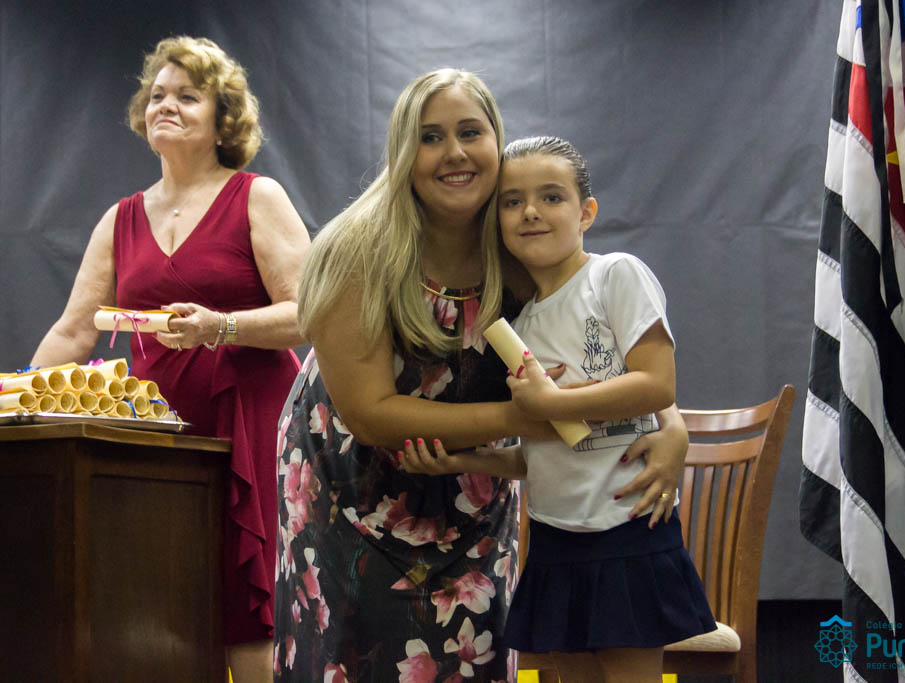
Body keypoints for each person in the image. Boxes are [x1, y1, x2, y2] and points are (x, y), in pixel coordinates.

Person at [274, 71, 688, 682]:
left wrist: (671, 425)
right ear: (403, 150)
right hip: (354, 491)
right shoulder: (358, 249)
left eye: (471, 132)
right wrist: (528, 418)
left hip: (472, 498)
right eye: (431, 137)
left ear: (497, 141)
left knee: (474, 658)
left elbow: (609, 350)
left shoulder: (519, 241)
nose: (455, 153)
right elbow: (369, 413)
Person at [30, 36, 310, 682]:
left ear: (223, 118)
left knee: (252, 613)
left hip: (252, 429)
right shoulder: (120, 218)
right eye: (157, 95)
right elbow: (73, 331)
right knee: (163, 608)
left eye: (188, 96)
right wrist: (16, 400)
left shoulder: (257, 197)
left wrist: (222, 327)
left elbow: (310, 312)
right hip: (160, 441)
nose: (166, 105)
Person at [401, 136, 716, 682]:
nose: (530, 212)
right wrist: (463, 461)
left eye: (551, 197)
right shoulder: (517, 326)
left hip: (626, 526)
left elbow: (657, 384)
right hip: (555, 538)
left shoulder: (615, 275)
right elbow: (539, 453)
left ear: (586, 211)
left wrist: (555, 401)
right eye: (512, 201)